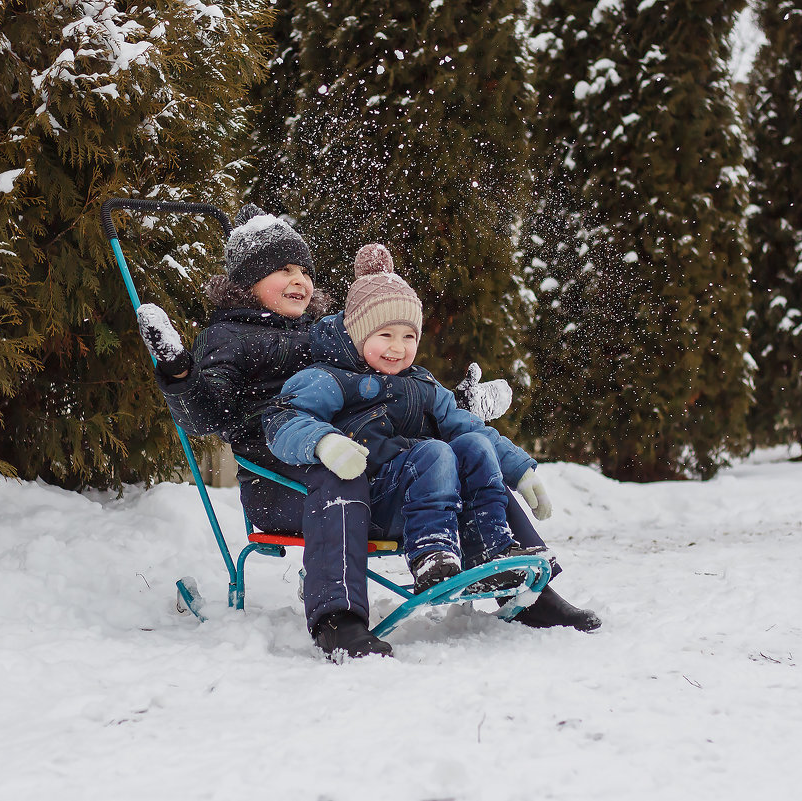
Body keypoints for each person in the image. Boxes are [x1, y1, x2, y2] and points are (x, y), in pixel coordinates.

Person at [137, 205, 599, 661]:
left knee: (462, 453)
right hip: (280, 477)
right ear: (245, 281)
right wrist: (180, 375)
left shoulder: (324, 335)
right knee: (339, 470)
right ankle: (339, 618)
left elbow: (380, 385)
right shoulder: (230, 338)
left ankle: (527, 587)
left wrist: (445, 406)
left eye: (304, 269)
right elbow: (207, 417)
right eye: (283, 269)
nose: (300, 279)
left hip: (361, 461)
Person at [263, 244, 551, 595]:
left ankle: (492, 549)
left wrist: (520, 469)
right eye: (385, 335)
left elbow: (467, 424)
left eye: (408, 336)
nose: (397, 347)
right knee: (435, 453)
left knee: (473, 444)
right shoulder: (330, 377)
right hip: (370, 499)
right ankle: (432, 554)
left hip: (432, 495)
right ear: (357, 334)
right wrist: (324, 441)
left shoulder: (422, 383)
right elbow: (283, 419)